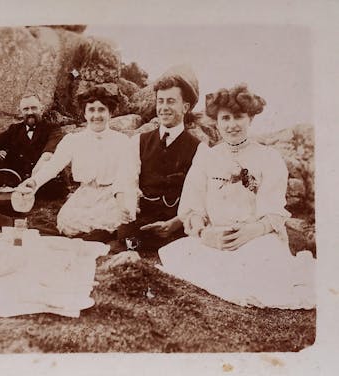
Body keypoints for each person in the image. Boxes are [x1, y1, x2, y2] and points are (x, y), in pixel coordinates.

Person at [157, 84, 315, 309]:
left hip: (257, 237)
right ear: (217, 122)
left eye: (238, 117)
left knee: (263, 272)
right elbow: (193, 205)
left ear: (250, 118)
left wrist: (252, 231)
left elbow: (273, 211)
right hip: (215, 236)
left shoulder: (268, 158)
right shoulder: (206, 157)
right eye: (225, 118)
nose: (232, 125)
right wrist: (203, 232)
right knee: (184, 254)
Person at [18, 85, 135, 239]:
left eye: (101, 110)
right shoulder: (73, 140)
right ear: (85, 114)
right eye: (91, 110)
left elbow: (125, 177)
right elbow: (53, 165)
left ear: (110, 113)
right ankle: (98, 233)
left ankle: (104, 232)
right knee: (67, 222)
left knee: (119, 216)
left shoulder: (122, 141)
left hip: (113, 194)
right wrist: (35, 182)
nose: (96, 115)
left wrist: (123, 203)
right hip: (85, 194)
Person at [115, 65, 201, 254]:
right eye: (160, 101)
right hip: (141, 221)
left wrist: (175, 223)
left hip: (176, 224)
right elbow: (126, 180)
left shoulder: (199, 148)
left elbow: (201, 195)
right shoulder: (139, 141)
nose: (163, 107)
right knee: (128, 241)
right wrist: (127, 207)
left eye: (171, 101)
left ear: (185, 107)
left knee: (179, 249)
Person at [0, 93, 67, 205]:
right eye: (26, 109)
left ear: (41, 109)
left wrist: (34, 179)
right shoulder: (15, 130)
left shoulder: (53, 129)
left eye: (34, 108)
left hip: (43, 182)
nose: (30, 112)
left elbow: (48, 154)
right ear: (21, 112)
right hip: (16, 180)